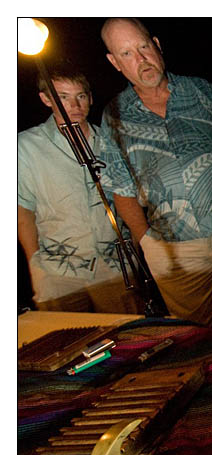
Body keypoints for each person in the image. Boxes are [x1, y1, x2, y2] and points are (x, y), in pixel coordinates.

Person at [98, 18, 212, 333]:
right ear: (115, 63)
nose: (141, 59)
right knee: (205, 333)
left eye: (144, 46)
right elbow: (121, 189)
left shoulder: (200, 89)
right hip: (174, 251)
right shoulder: (114, 115)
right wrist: (148, 242)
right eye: (127, 54)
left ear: (157, 44)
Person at [18, 65, 144, 314]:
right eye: (63, 97)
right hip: (58, 270)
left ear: (90, 98)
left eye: (81, 96)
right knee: (66, 342)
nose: (74, 105)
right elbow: (23, 209)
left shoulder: (111, 141)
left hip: (115, 268)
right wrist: (35, 265)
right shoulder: (25, 146)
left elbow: (132, 199)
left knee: (129, 337)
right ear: (46, 99)